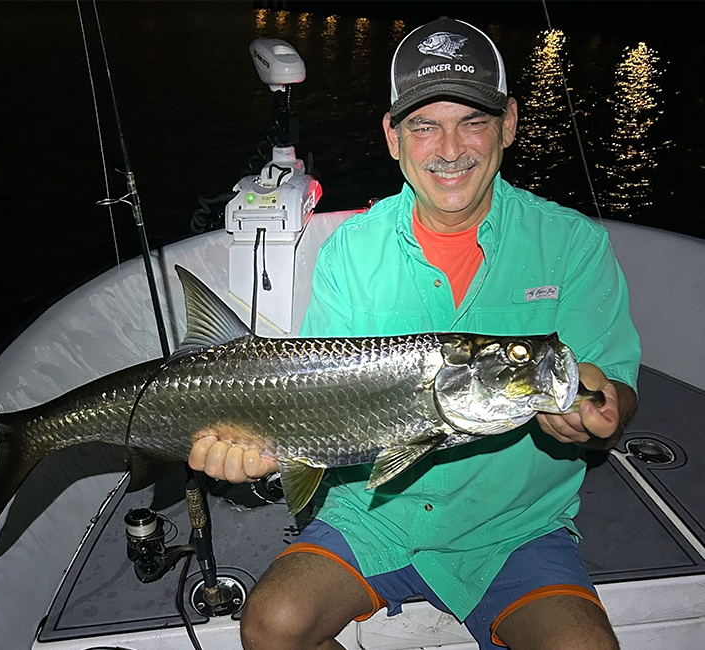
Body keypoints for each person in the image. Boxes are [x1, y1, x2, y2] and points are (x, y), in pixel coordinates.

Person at [189, 17, 640, 650]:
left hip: (513, 528)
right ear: (393, 137)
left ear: (510, 122)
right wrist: (261, 454)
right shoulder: (352, 251)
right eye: (425, 125)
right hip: (376, 515)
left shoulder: (573, 245)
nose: (450, 149)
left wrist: (605, 409)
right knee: (271, 626)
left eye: (473, 121)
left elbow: (613, 386)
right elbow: (316, 401)